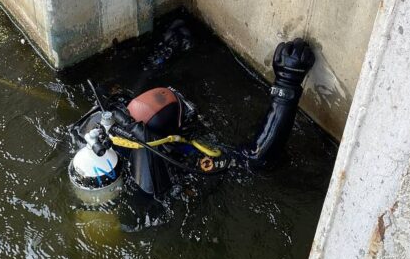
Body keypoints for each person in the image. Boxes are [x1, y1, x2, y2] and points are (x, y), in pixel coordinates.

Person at [69, 20, 316, 202]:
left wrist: (164, 53)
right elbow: (255, 159)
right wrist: (287, 85)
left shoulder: (96, 129)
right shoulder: (181, 155)